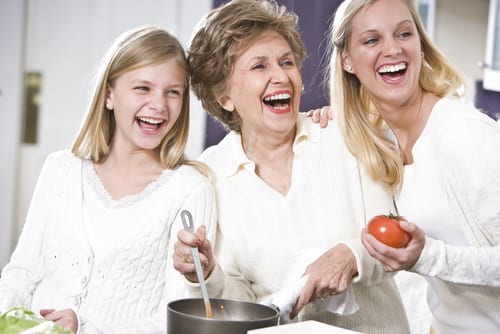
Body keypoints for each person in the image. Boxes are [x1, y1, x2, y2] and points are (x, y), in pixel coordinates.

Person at [172, 0, 410, 333]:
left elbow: (397, 236)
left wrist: (350, 255)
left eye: (286, 62)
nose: (281, 76)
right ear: (223, 95)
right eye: (259, 67)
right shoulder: (209, 175)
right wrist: (207, 275)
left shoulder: (341, 136)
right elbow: (240, 306)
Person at [0, 26, 217, 333]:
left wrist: (86, 328)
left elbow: (176, 319)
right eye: (143, 88)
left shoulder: (190, 189)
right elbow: (21, 273)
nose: (159, 104)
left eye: (173, 92)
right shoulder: (61, 169)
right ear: (109, 95)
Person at [325, 0, 500, 333]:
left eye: (404, 33)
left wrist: (428, 257)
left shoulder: (463, 136)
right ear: (347, 60)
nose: (393, 49)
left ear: (420, 46)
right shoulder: (385, 140)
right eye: (372, 40)